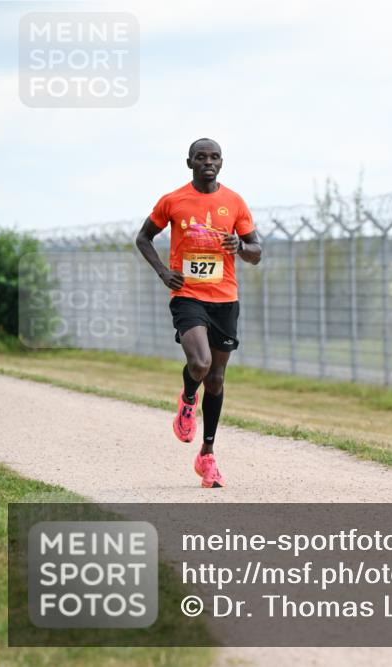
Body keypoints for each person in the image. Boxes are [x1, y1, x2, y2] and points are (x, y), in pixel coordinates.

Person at [135, 138, 262, 488]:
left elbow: (256, 250)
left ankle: (207, 456)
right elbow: (143, 238)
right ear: (189, 162)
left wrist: (242, 246)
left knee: (217, 380)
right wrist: (163, 272)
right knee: (200, 364)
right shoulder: (173, 201)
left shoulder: (234, 202)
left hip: (225, 298)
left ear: (222, 162)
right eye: (201, 157)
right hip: (187, 294)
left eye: (215, 157)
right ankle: (188, 398)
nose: (209, 161)